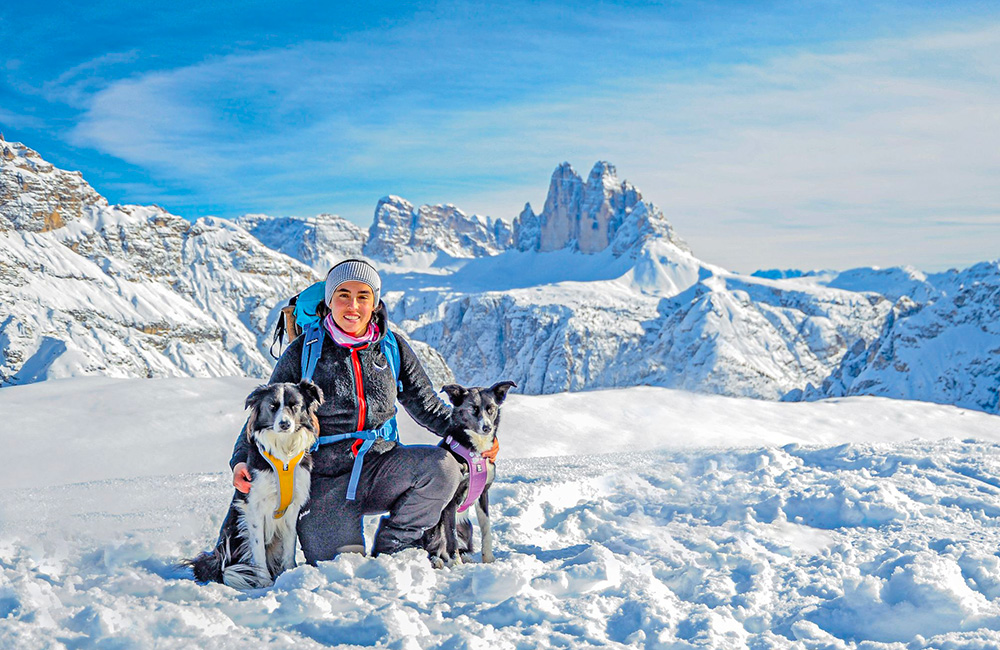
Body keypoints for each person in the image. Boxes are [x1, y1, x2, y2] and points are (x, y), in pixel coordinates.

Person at [229, 258, 492, 561]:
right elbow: (264, 414)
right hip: (323, 478)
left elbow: (427, 405)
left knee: (443, 468)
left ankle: (397, 544)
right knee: (341, 567)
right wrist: (240, 461)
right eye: (343, 295)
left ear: (375, 303)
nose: (352, 305)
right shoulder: (305, 349)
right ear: (330, 301)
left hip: (384, 466)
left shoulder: (392, 347)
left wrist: (479, 439)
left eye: (363, 296)